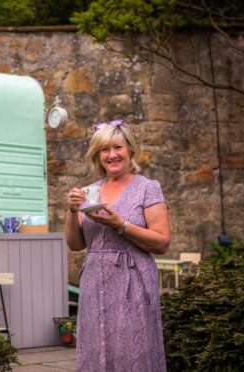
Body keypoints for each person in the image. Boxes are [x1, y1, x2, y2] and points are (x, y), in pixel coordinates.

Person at [65, 119, 170, 371]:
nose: (112, 155)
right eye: (104, 149)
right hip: (94, 281)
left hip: (132, 279)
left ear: (130, 150)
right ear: (97, 155)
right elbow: (75, 244)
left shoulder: (147, 188)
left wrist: (120, 225)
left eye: (118, 148)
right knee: (95, 345)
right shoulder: (89, 192)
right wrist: (71, 211)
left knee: (132, 350)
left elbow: (162, 242)